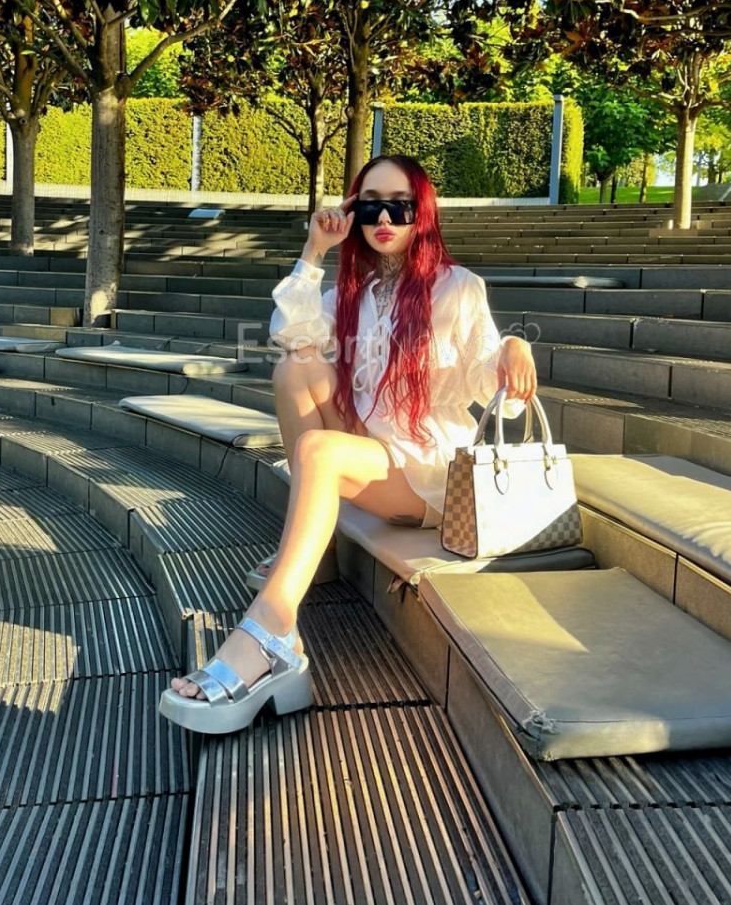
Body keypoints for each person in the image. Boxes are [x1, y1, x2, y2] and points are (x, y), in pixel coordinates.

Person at [159, 154, 538, 734]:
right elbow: (292, 335)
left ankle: (270, 627)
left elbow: (491, 382)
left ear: (421, 214)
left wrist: (513, 347)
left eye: (399, 206)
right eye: (370, 206)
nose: (384, 218)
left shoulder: (457, 287)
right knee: (294, 367)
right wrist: (315, 251)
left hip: (426, 469)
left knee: (318, 450)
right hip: (371, 448)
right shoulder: (356, 292)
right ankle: (318, 561)